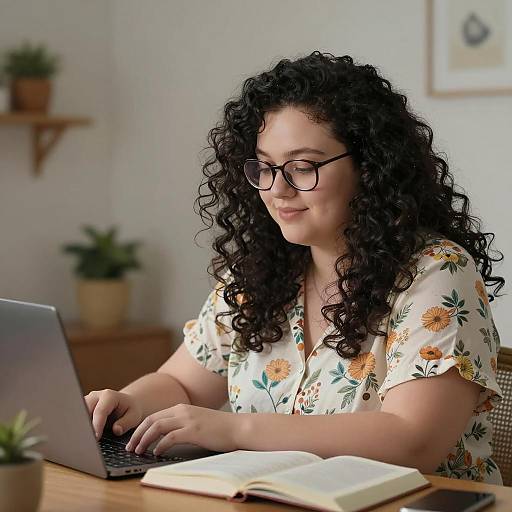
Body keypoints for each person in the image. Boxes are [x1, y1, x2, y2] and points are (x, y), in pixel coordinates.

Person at [86, 52, 505, 483]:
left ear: (371, 166)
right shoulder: (258, 278)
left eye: (303, 166)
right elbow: (181, 384)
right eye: (265, 168)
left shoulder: (436, 274)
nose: (278, 189)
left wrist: (232, 428)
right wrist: (125, 405)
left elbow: (413, 441)